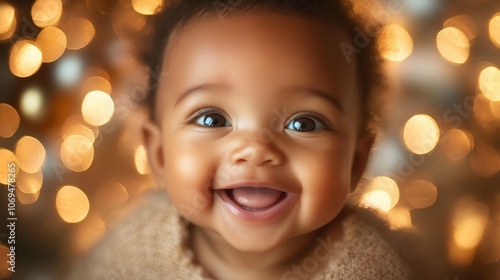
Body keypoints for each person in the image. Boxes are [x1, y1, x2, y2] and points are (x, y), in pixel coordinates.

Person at [68, 0, 416, 279]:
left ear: (355, 163)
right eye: (212, 119)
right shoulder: (133, 249)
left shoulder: (379, 268)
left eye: (304, 123)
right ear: (158, 155)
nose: (256, 149)